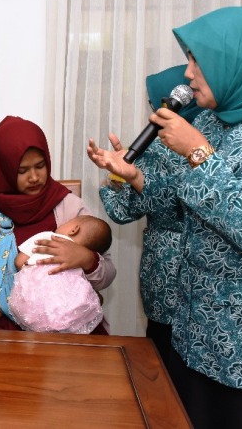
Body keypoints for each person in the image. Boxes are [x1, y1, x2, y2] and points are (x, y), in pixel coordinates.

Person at [91, 7, 242, 429]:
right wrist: (136, 179)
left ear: (236, 61)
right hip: (199, 338)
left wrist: (197, 151)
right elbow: (185, 211)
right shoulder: (217, 123)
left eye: (197, 60)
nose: (187, 73)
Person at [0, 115, 116, 331]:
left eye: (40, 166)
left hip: (58, 331)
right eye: (22, 171)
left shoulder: (69, 207)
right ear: (4, 168)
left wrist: (85, 258)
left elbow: (108, 274)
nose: (35, 177)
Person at [86, 64, 201, 367]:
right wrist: (126, 172)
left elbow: (122, 212)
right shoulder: (213, 148)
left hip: (170, 272)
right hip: (193, 281)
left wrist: (118, 179)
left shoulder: (170, 150)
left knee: (166, 367)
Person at [8, 214, 111, 334]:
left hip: (36, 299)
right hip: (68, 309)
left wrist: (28, 268)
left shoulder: (49, 237)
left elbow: (19, 262)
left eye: (69, 221)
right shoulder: (78, 257)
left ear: (74, 229)